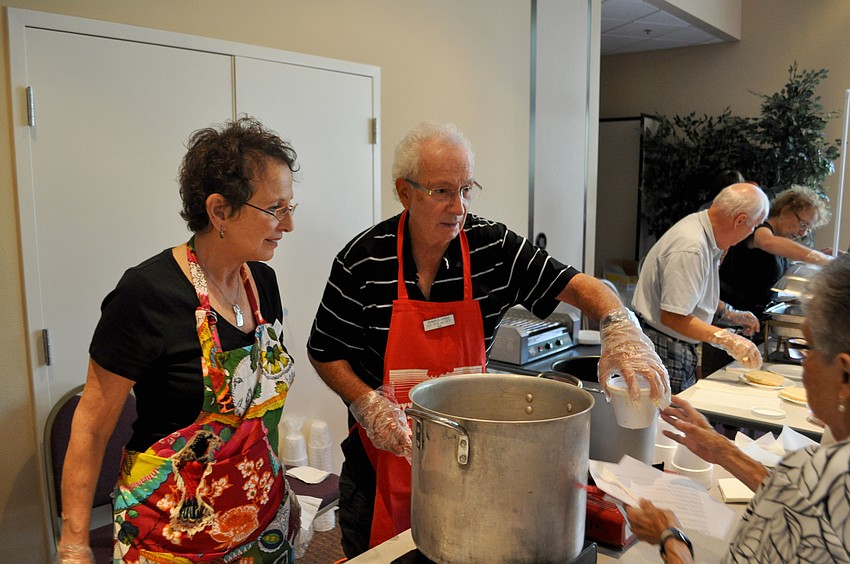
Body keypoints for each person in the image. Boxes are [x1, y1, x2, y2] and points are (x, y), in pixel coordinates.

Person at [306, 120, 671, 557]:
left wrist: (619, 325)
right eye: (442, 191)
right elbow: (325, 352)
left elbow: (578, 286)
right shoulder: (363, 260)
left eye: (467, 189)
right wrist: (368, 404)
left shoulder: (492, 248)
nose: (458, 206)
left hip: (472, 461)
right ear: (405, 192)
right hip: (381, 458)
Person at [57, 116, 301, 563]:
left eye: (290, 207)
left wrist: (279, 484)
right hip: (170, 535)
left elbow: (256, 418)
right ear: (219, 210)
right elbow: (91, 425)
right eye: (274, 209)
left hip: (259, 521)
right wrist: (74, 542)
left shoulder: (261, 283)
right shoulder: (147, 294)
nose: (287, 225)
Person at [625, 253, 850, 563]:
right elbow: (800, 502)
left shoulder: (822, 472)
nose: (803, 367)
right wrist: (723, 451)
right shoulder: (817, 478)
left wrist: (670, 537)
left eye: (804, 349)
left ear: (844, 374)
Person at [632, 183, 770, 394]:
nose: (751, 233)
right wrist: (728, 339)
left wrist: (728, 313)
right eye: (754, 227)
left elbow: (690, 292)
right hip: (663, 346)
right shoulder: (692, 247)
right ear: (740, 220)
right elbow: (673, 316)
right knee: (669, 413)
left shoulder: (703, 231)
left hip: (671, 343)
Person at [720, 185, 832, 319]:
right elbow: (766, 242)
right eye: (802, 224)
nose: (802, 233)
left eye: (807, 229)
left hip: (750, 317)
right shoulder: (760, 228)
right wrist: (820, 259)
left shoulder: (780, 241)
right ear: (785, 211)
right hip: (729, 315)